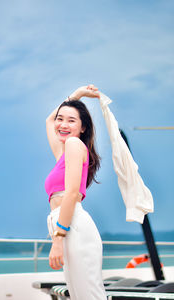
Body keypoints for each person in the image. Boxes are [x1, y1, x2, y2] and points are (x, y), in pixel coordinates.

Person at [45, 84, 107, 299]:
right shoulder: (64, 154)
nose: (62, 124)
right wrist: (77, 95)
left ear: (83, 128)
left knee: (89, 295)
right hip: (68, 226)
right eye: (61, 118)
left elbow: (71, 194)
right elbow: (49, 121)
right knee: (82, 295)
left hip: (72, 227)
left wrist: (58, 239)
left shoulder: (73, 144)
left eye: (71, 121)